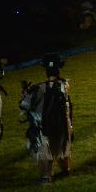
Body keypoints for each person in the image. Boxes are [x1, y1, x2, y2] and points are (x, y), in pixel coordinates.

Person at [19, 54, 73, 184]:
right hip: (63, 129)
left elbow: (24, 105)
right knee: (63, 148)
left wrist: (26, 94)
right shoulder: (65, 85)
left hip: (46, 129)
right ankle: (65, 168)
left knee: (39, 137)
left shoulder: (39, 88)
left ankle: (46, 176)